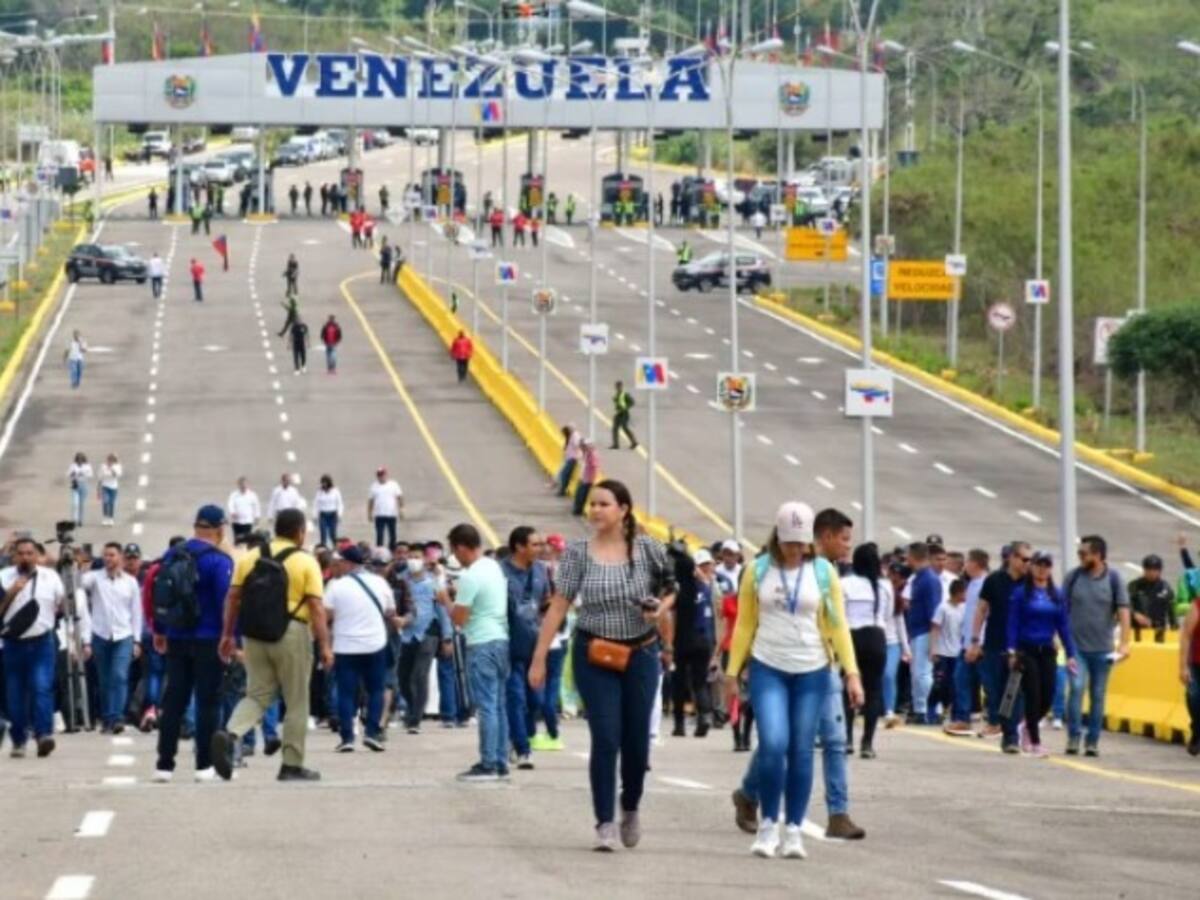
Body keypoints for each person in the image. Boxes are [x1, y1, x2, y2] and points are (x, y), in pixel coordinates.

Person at [528, 480, 675, 850]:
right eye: (592, 504)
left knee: (637, 741)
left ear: (623, 509)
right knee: (606, 737)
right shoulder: (578, 553)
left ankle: (630, 806)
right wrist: (540, 656)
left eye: (604, 504)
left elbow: (672, 586)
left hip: (640, 653)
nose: (595, 511)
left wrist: (660, 607)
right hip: (594, 653)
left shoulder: (648, 549)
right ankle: (604, 822)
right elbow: (559, 605)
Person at [724, 501, 862, 859]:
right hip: (769, 666)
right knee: (773, 744)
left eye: (802, 543)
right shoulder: (756, 571)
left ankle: (794, 831)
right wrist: (731, 671)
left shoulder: (821, 572)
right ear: (777, 538)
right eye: (789, 543)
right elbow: (744, 624)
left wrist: (852, 673)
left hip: (813, 669)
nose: (796, 550)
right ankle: (768, 825)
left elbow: (838, 625)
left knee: (802, 750)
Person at [213, 508, 332, 782]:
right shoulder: (305, 561)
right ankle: (291, 764)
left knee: (257, 693)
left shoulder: (250, 557)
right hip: (292, 632)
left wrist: (227, 635)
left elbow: (232, 598)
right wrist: (324, 645)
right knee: (296, 700)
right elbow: (315, 606)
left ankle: (231, 734)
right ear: (300, 531)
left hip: (254, 634)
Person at [152, 506, 235, 781]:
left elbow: (160, 592)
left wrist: (159, 629)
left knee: (174, 699)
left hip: (176, 635)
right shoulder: (219, 560)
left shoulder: (172, 553)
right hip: (209, 637)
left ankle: (164, 764)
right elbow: (227, 601)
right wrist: (231, 636)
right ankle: (203, 764)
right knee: (207, 701)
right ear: (219, 529)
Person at [449, 522, 512, 782]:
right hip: (500, 639)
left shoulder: (471, 575)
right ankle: (500, 759)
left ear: (462, 548)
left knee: (486, 706)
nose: (456, 557)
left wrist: (445, 600)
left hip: (481, 642)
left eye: (455, 551)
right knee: (498, 705)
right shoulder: (493, 566)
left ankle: (488, 763)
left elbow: (459, 618)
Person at [323, 545, 397, 752]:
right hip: (375, 644)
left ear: (348, 563)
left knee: (346, 692)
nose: (337, 566)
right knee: (376, 690)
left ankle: (347, 738)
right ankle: (372, 733)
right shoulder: (380, 582)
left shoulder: (335, 586)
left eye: (340, 562)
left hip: (346, 646)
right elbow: (391, 610)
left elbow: (325, 615)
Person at [1006, 551, 1078, 758]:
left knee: (1048, 694)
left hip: (1047, 649)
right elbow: (1013, 623)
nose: (1042, 569)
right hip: (1026, 649)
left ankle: (1027, 725)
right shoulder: (1021, 593)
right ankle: (1035, 742)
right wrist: (1011, 650)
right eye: (1039, 564)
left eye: (1046, 565)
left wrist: (1071, 653)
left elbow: (1063, 625)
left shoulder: (1056, 594)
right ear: (1033, 566)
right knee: (1033, 693)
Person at [1063, 534, 1131, 757]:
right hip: (1076, 649)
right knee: (1076, 689)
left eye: (1084, 554)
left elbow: (1123, 610)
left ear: (1098, 555)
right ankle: (1074, 736)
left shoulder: (1113, 579)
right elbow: (1061, 611)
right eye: (1079, 553)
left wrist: (1124, 643)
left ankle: (1092, 741)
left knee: (1098, 695)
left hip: (1103, 650)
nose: (1080, 557)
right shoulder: (1073, 578)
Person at [1, 537, 68, 758]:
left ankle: (43, 735)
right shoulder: (3, 577)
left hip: (41, 642)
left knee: (41, 687)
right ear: (14, 556)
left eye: (30, 553)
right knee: (15, 695)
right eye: (21, 553)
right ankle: (19, 740)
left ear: (37, 555)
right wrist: (11, 593)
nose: (26, 557)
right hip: (13, 644)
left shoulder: (50, 577)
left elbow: (61, 604)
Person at [967, 542, 1030, 752]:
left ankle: (1011, 736)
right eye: (1023, 559)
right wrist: (975, 641)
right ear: (1011, 558)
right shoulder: (994, 580)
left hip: (1021, 646)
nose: (1027, 563)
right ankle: (1006, 726)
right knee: (995, 690)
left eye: (1030, 559)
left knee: (1015, 690)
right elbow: (981, 610)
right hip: (995, 644)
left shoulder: (1031, 582)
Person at [502, 526, 552, 769]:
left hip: (534, 646)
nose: (541, 549)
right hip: (507, 645)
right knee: (515, 697)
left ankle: (517, 735)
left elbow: (546, 603)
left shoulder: (542, 571)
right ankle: (523, 749)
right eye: (535, 544)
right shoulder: (500, 572)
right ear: (519, 547)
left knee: (536, 701)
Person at [81, 543, 143, 733]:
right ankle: (108, 718)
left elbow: (136, 612)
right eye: (106, 555)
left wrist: (137, 640)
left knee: (119, 675)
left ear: (121, 557)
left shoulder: (130, 582)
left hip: (124, 635)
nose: (109, 558)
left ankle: (117, 717)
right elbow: (79, 584)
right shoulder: (95, 578)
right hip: (100, 635)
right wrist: (81, 566)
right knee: (105, 679)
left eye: (112, 555)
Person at [841, 543, 890, 758]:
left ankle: (847, 739)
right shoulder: (885, 586)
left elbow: (840, 615)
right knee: (874, 690)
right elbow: (886, 616)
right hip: (877, 636)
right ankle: (867, 743)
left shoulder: (845, 583)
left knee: (848, 687)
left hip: (852, 636)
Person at [397, 546, 451, 734]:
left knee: (420, 675)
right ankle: (412, 707)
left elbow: (443, 610)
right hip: (406, 634)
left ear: (425, 560)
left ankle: (415, 719)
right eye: (410, 557)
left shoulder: (433, 583)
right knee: (403, 677)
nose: (413, 560)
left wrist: (447, 637)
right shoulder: (401, 580)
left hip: (429, 632)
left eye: (417, 557)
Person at [671, 545, 716, 738]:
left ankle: (679, 724)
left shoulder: (679, 592)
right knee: (700, 682)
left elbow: (672, 618)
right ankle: (704, 717)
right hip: (703, 639)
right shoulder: (705, 588)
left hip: (682, 640)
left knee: (679, 682)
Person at [947, 549, 990, 736]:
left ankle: (996, 720)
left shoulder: (985, 585)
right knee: (961, 679)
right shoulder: (972, 584)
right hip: (967, 641)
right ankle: (963, 720)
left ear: (976, 564)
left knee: (988, 683)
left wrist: (977, 642)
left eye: (968, 561)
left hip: (979, 642)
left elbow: (984, 615)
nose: (965, 565)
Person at [905, 542, 941, 725]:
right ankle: (919, 707)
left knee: (922, 673)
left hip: (925, 631)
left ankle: (924, 709)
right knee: (917, 673)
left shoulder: (929, 579)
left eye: (908, 555)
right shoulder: (919, 577)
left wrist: (933, 638)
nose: (906, 559)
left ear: (914, 556)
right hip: (917, 631)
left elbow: (934, 611)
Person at [929, 578, 967, 726]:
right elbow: (935, 629)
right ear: (958, 592)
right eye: (964, 592)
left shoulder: (963, 609)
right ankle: (931, 710)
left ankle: (955, 715)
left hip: (957, 653)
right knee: (939, 685)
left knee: (956, 685)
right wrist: (933, 649)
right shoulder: (943, 608)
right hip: (942, 652)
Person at [882, 561, 911, 728]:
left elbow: (901, 625)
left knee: (888, 674)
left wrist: (906, 650)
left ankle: (889, 710)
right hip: (876, 641)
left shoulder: (896, 600)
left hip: (892, 643)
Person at [1129, 555, 1177, 643]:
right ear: (1144, 570)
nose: (1151, 573)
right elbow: (1124, 605)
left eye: (1155, 570)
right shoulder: (1134, 586)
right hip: (1137, 631)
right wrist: (1135, 614)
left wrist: (1175, 632)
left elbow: (1172, 613)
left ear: (1160, 571)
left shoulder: (1165, 588)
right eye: (1148, 569)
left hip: (1158, 632)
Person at [1180, 593, 1200, 756]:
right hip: (1196, 662)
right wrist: (1183, 666)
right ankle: (1197, 729)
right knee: (1194, 697)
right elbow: (1186, 635)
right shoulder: (1198, 605)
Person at [367, 467, 404, 549]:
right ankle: (379, 551)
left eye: (383, 475)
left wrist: (401, 510)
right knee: (379, 535)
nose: (381, 477)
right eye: (379, 475)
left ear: (386, 475)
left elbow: (399, 497)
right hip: (379, 514)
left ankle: (392, 550)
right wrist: (369, 513)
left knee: (392, 534)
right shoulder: (374, 486)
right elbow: (371, 501)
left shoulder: (393, 484)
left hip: (391, 514)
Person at [312, 475, 344, 546]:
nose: (324, 484)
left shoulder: (335, 491)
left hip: (333, 514)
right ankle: (323, 549)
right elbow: (316, 504)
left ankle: (335, 548)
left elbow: (340, 504)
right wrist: (315, 516)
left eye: (325, 483)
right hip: (323, 515)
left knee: (332, 534)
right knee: (323, 534)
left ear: (329, 483)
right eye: (322, 483)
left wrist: (339, 515)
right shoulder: (319, 492)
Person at [551, 424, 582, 497]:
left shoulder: (575, 436)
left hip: (572, 458)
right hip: (570, 458)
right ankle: (562, 489)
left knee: (564, 474)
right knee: (565, 474)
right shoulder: (572, 436)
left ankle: (562, 490)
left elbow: (577, 445)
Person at [572, 440, 599, 517]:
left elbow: (594, 466)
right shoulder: (586, 453)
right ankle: (578, 509)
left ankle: (578, 510)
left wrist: (592, 478)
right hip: (583, 477)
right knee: (580, 494)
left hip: (587, 478)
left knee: (582, 494)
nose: (582, 448)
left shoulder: (592, 455)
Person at [67, 452, 93, 526]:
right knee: (75, 503)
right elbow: (68, 474)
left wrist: (83, 473)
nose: (80, 461)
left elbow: (91, 475)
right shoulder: (73, 466)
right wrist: (72, 473)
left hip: (83, 485)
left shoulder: (87, 466)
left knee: (81, 504)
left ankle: (80, 520)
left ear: (83, 460)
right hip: (75, 485)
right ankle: (74, 520)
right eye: (78, 459)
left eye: (81, 459)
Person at [610, 381, 638, 450]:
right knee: (615, 428)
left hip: (624, 413)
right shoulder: (617, 394)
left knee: (625, 428)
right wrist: (615, 400)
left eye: (619, 386)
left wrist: (625, 407)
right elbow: (619, 402)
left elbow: (632, 402)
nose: (617, 388)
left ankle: (634, 442)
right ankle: (615, 444)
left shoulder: (625, 394)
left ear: (621, 387)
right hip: (619, 413)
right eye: (616, 387)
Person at [97, 453, 122, 527]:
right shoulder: (103, 466)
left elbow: (117, 475)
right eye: (109, 460)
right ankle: (105, 518)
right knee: (105, 502)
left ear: (114, 461)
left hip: (114, 487)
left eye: (112, 460)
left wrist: (111, 468)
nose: (110, 462)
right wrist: (99, 486)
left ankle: (111, 518)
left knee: (111, 503)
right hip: (105, 486)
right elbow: (100, 476)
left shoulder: (117, 467)